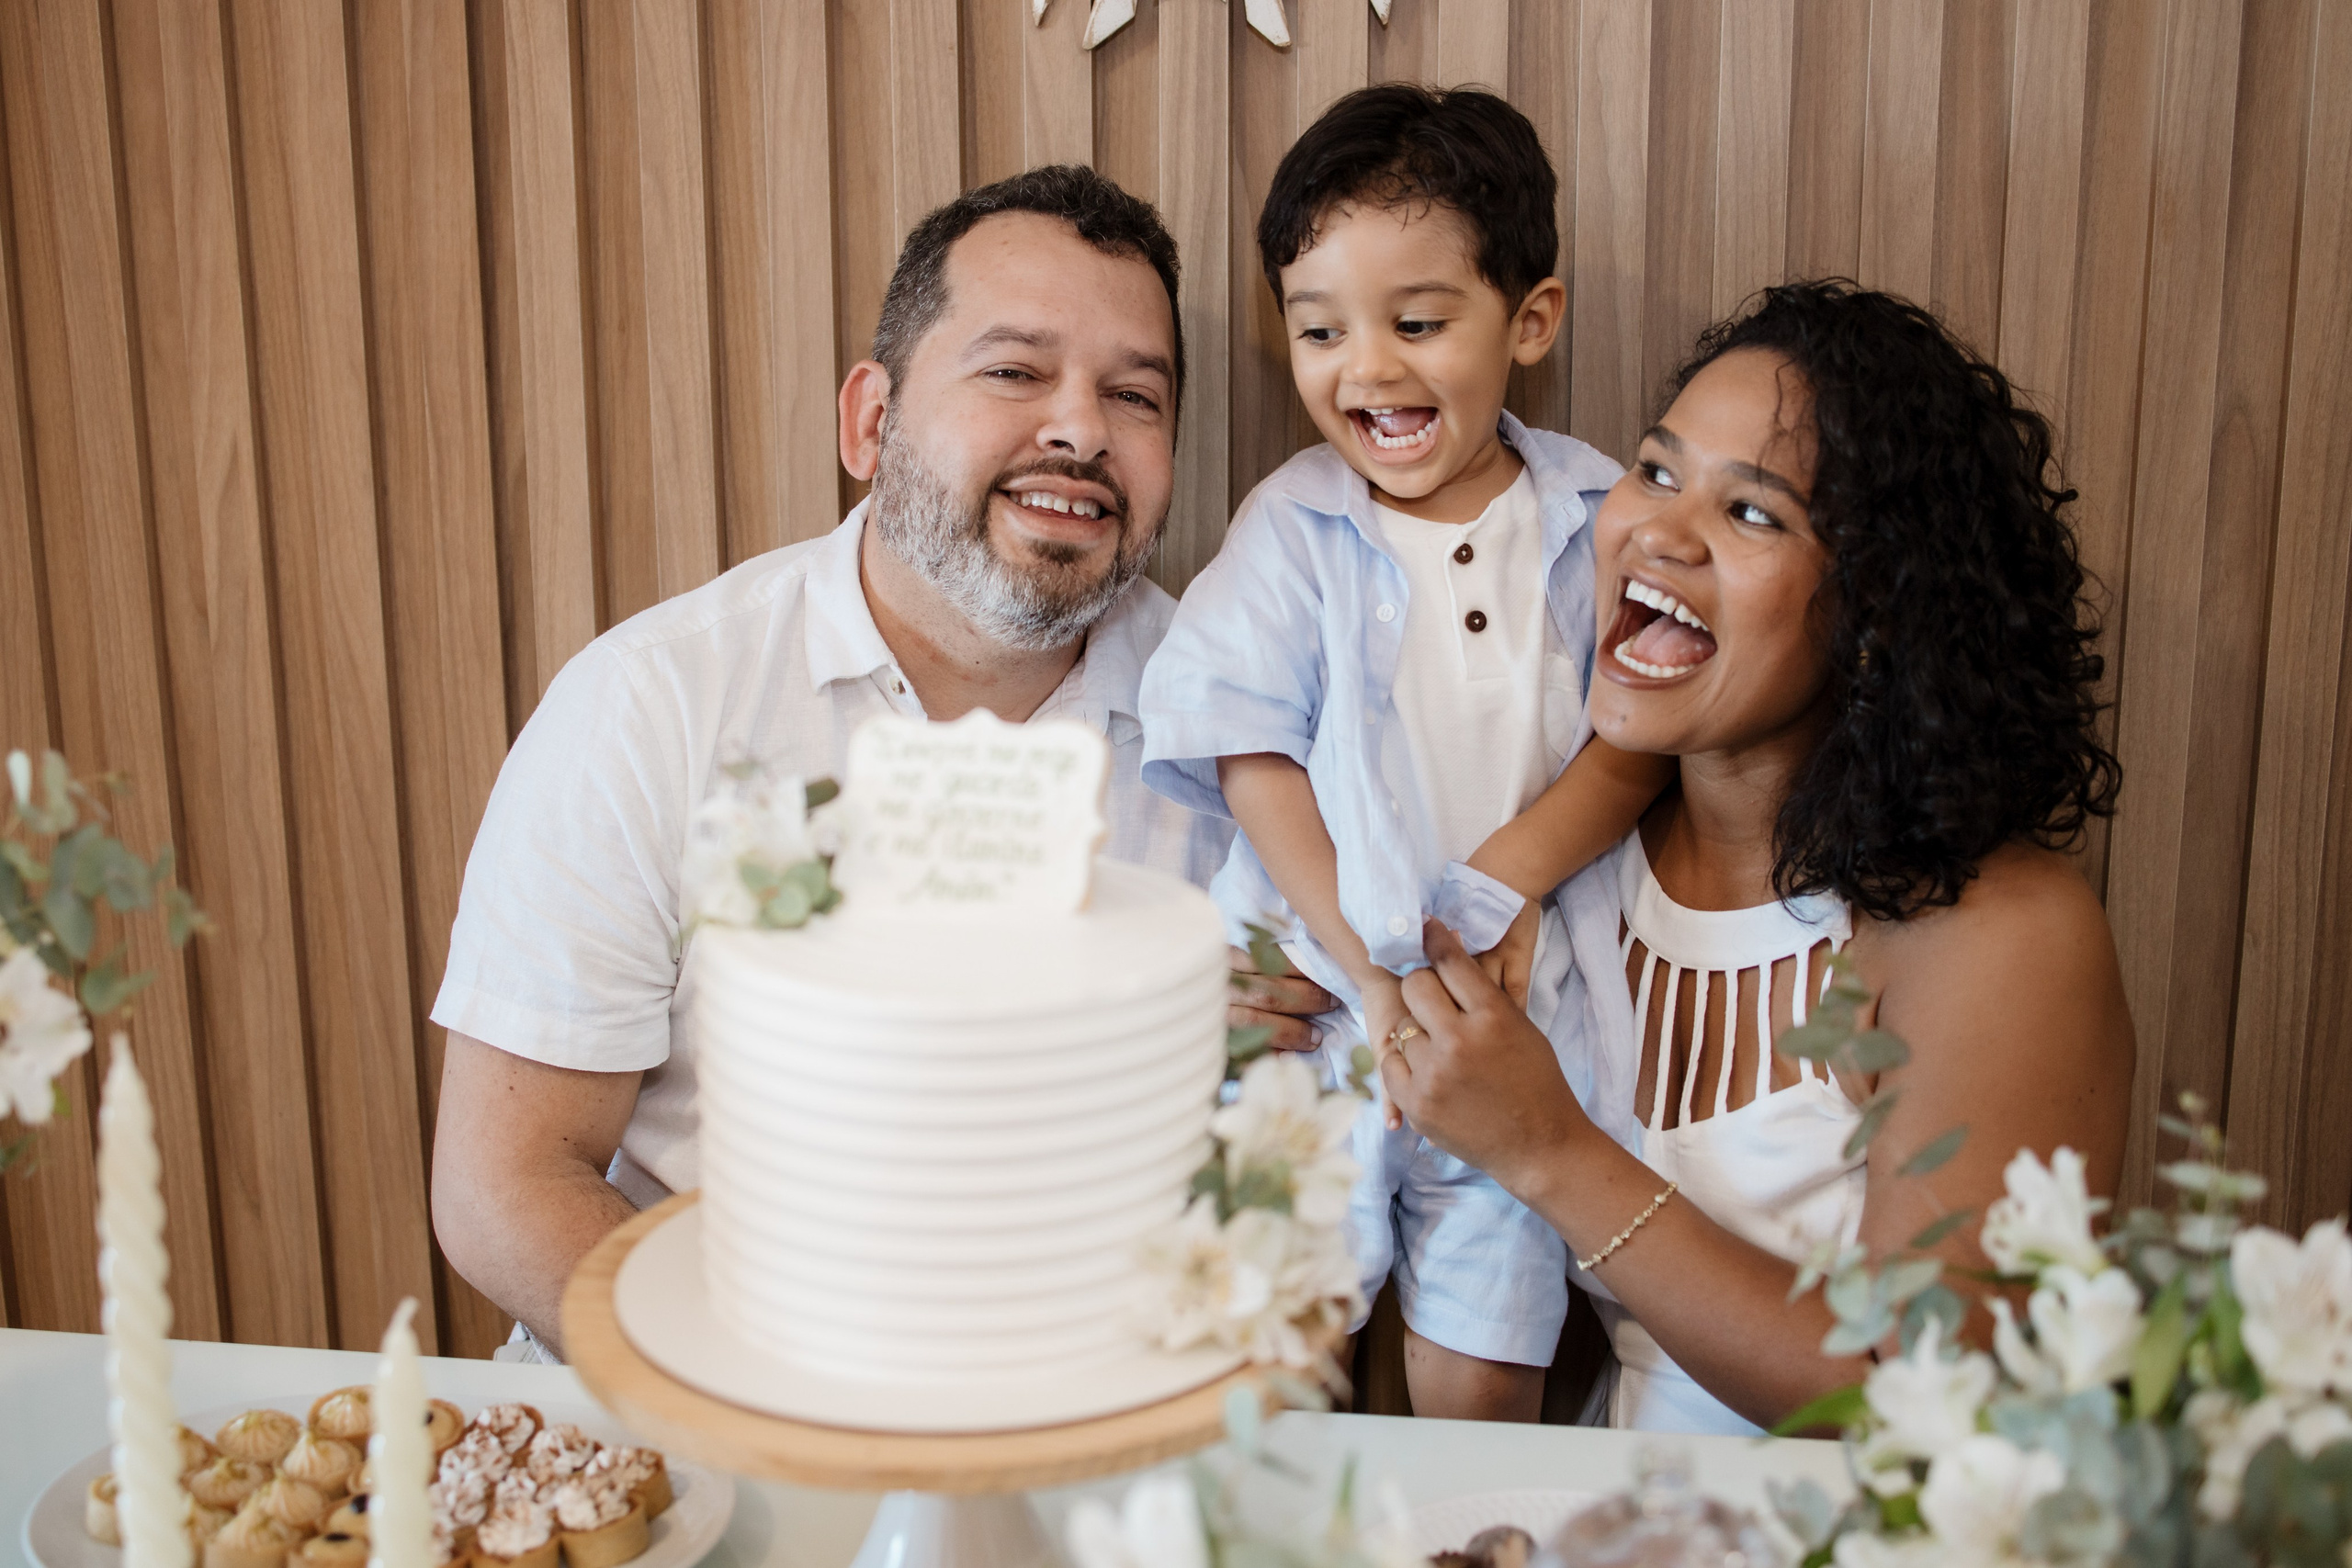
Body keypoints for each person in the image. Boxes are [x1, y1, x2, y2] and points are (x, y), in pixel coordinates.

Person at [428, 166, 1331, 1360]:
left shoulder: (1247, 738)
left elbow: (1314, 1154)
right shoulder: (656, 703)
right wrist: (795, 1402)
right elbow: (506, 1181)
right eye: (1014, 370)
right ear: (871, 421)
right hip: (704, 1423)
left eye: (1135, 395)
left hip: (1092, 1430)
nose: (1080, 429)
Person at [1374, 280, 2135, 1434]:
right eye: (1657, 470)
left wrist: (1549, 1152)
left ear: (1876, 611)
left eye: (1755, 515)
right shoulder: (1580, 870)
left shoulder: (1996, 935)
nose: (1660, 533)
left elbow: (1928, 1401)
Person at [1138, 85, 1672, 1423]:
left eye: (1418, 323)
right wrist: (1368, 967)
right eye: (1320, 330)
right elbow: (1248, 751)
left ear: (1530, 320)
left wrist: (1504, 880)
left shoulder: (1601, 515)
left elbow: (1637, 740)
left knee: (1485, 1366)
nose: (1366, 369)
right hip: (1312, 1022)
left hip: (1516, 1032)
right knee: (1262, 1351)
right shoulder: (1294, 526)